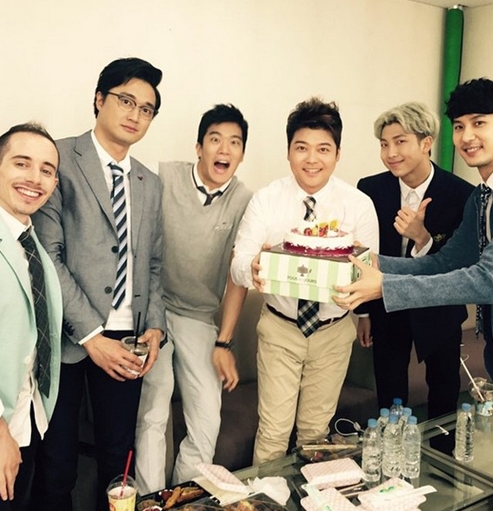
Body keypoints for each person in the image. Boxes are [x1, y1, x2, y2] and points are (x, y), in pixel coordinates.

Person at [336, 78, 493, 510]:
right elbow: (445, 262)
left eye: (479, 123)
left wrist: (385, 285)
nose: (467, 136)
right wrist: (371, 263)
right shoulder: (484, 196)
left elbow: (488, 279)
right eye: (460, 126)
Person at [31, 58, 167, 511]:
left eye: (146, 109)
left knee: (117, 458)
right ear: (99, 99)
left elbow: (153, 263)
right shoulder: (59, 158)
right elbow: (48, 256)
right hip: (68, 336)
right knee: (57, 462)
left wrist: (156, 326)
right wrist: (91, 336)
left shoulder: (149, 182)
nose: (135, 114)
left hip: (129, 338)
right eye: (126, 101)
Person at [231, 97, 379, 464]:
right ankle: (266, 495)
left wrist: (360, 300)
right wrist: (253, 269)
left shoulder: (358, 204)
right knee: (273, 432)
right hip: (280, 329)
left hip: (333, 331)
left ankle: (306, 494)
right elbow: (238, 264)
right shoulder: (266, 200)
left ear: (338, 154)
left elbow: (371, 274)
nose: (311, 159)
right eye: (301, 148)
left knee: (315, 433)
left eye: (323, 149)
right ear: (288, 152)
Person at [135, 104, 252, 492]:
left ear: (241, 154)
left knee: (207, 420)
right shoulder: (163, 177)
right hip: (153, 309)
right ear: (199, 147)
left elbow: (238, 275)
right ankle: (150, 500)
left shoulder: (244, 200)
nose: (224, 149)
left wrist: (225, 342)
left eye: (234, 143)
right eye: (215, 139)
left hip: (199, 317)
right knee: (154, 409)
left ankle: (181, 498)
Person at [356, 102, 473, 453]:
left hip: (439, 310)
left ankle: (443, 465)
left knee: (444, 392)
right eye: (384, 144)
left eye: (400, 142)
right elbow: (363, 252)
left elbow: (461, 264)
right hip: (385, 305)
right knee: (389, 393)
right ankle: (390, 464)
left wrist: (423, 238)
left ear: (426, 142)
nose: (390, 153)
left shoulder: (461, 194)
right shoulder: (370, 189)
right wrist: (363, 312)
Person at [0, 124, 62, 511]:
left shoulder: (31, 243)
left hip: (29, 419)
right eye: (21, 163)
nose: (35, 179)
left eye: (46, 170)